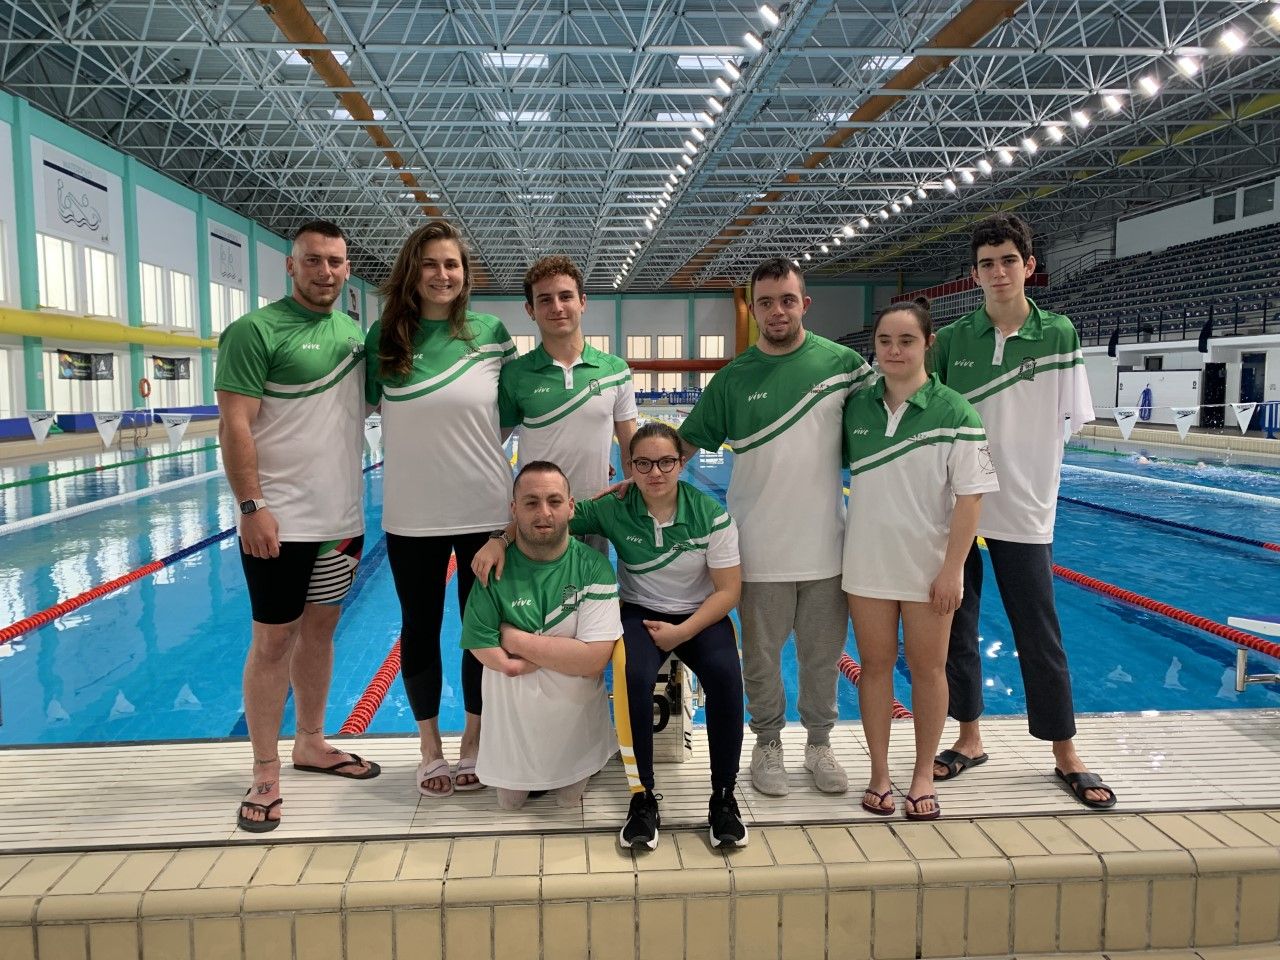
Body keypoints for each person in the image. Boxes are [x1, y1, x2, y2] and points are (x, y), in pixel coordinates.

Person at [475, 421, 747, 848]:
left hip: (700, 616)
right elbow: (550, 515)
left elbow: (729, 591)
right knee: (632, 679)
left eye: (666, 462)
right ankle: (642, 797)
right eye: (644, 463)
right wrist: (498, 539)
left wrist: (681, 633)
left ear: (681, 463)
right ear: (629, 466)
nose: (655, 472)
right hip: (639, 612)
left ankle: (724, 796)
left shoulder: (711, 516)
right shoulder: (613, 507)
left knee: (727, 677)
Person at [931, 212, 1116, 809]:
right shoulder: (953, 340)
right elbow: (931, 417)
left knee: (1039, 631)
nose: (999, 272)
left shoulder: (1058, 334)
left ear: (1029, 265)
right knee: (957, 627)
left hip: (1027, 508)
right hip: (958, 506)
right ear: (974, 274)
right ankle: (969, 738)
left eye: (1008, 260)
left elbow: (1071, 421)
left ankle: (1065, 750)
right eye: (987, 263)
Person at [679, 257, 874, 797]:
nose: (777, 311)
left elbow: (891, 415)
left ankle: (819, 743)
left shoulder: (843, 365)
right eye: (765, 302)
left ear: (804, 303)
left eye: (787, 300)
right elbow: (684, 444)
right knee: (761, 661)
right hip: (757, 548)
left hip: (826, 548)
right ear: (753, 309)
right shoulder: (733, 379)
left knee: (822, 658)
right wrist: (639, 476)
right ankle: (767, 744)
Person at [216, 220, 377, 833]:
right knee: (272, 642)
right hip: (278, 522)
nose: (325, 272)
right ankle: (264, 769)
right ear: (291, 265)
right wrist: (251, 506)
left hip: (341, 521)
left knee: (320, 634)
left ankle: (311, 741)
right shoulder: (255, 331)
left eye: (335, 261)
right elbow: (234, 423)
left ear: (347, 268)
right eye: (313, 260)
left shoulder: (352, 336)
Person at [365, 220, 516, 798]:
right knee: (420, 627)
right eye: (430, 263)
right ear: (413, 270)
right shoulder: (387, 338)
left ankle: (474, 742)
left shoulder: (491, 333)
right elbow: (355, 409)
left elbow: (508, 415)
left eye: (451, 264)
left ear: (465, 273)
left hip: (483, 511)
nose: (442, 274)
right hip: (412, 514)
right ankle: (430, 749)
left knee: (481, 630)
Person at [842, 304, 998, 821]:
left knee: (929, 669)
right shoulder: (857, 408)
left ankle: (923, 774)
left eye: (906, 340)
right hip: (867, 562)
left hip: (929, 566)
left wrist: (953, 569)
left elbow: (971, 498)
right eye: (885, 340)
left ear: (928, 344)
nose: (894, 350)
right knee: (875, 668)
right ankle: (879, 773)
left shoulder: (956, 412)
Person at [461, 461, 635, 809]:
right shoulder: (493, 566)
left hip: (575, 734)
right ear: (514, 510)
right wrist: (515, 665)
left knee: (569, 801)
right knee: (509, 803)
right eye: (531, 503)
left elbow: (593, 660)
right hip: (512, 737)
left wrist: (512, 638)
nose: (544, 513)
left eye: (554, 501)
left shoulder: (593, 566)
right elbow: (480, 643)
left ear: (571, 507)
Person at [498, 255, 638, 549]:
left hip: (595, 513)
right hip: (538, 515)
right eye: (545, 299)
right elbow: (491, 444)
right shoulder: (516, 374)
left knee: (594, 579)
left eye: (566, 296)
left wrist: (639, 508)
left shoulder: (615, 370)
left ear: (582, 302)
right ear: (530, 310)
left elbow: (630, 448)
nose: (557, 307)